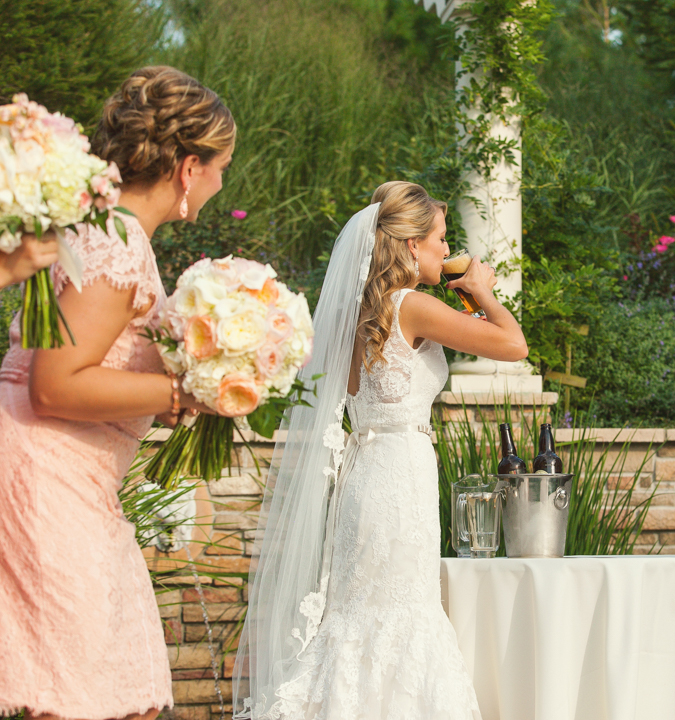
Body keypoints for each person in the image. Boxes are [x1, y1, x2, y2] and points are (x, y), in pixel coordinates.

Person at [235, 181, 528, 719]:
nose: (447, 249)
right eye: (440, 238)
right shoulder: (412, 305)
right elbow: (514, 345)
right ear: (413, 245)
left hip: (365, 472)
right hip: (400, 476)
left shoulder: (359, 310)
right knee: (401, 614)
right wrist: (483, 290)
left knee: (360, 614)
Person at [0, 66, 236, 719]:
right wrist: (182, 392)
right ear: (189, 168)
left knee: (120, 693)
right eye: (221, 168)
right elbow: (54, 384)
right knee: (81, 697)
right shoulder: (119, 240)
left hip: (74, 475)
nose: (221, 184)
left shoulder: (102, 230)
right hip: (47, 471)